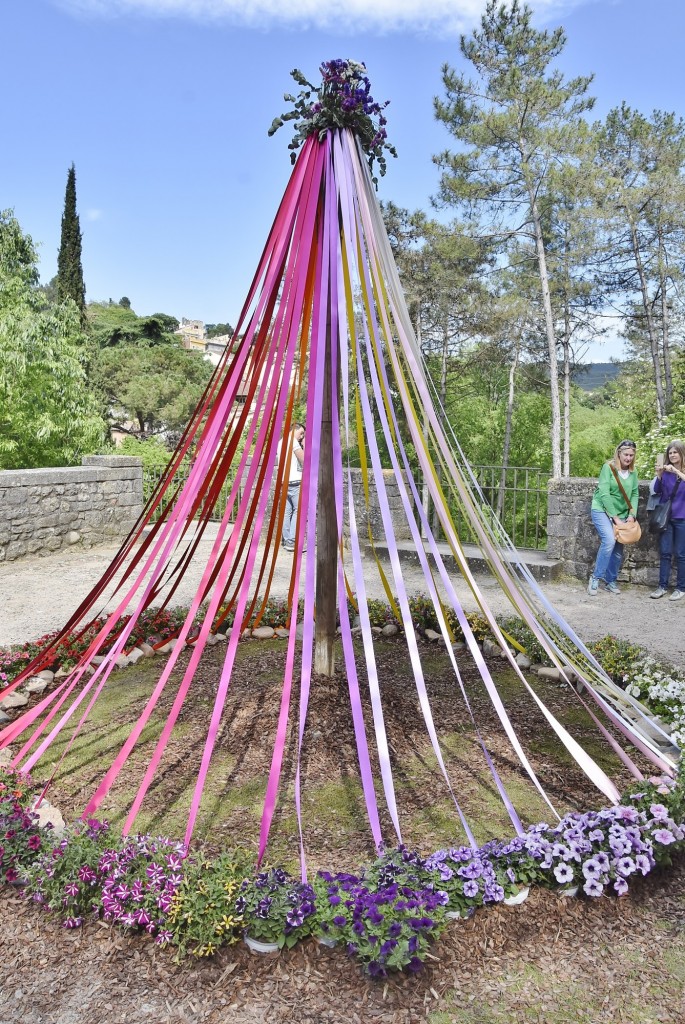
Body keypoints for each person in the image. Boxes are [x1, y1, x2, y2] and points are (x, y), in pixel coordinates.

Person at [587, 439, 639, 596]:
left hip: (623, 513)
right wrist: (615, 518)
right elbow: (604, 493)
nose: (628, 458)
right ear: (619, 453)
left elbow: (635, 493)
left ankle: (611, 581)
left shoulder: (633, 472)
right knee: (609, 540)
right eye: (626, 454)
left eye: (631, 455)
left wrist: (632, 514)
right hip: (602, 509)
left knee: (618, 548)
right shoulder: (608, 468)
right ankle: (595, 577)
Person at [649, 440, 685, 601]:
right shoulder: (666, 472)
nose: (672, 455)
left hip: (682, 518)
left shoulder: (680, 473)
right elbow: (656, 490)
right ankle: (662, 586)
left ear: (681, 453)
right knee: (665, 553)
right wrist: (659, 475)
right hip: (666, 518)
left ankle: (680, 588)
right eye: (670, 453)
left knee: (681, 554)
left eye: (675, 452)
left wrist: (677, 472)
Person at [276, 423, 305, 551]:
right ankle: (292, 542)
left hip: (284, 481)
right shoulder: (293, 442)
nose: (302, 436)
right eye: (301, 433)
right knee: (298, 511)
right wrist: (303, 445)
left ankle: (287, 540)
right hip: (295, 481)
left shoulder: (281, 442)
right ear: (294, 431)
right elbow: (304, 459)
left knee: (287, 512)